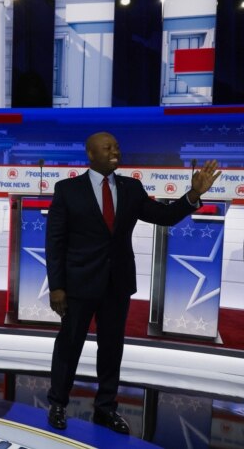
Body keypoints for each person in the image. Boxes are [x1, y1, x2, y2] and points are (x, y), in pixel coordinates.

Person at [45, 131, 221, 433]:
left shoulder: (131, 188)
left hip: (118, 283)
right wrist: (57, 286)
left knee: (111, 348)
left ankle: (105, 409)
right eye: (107, 147)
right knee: (69, 346)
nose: (115, 151)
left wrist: (193, 195)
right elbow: (55, 241)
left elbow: (165, 216)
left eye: (116, 146)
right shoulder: (67, 190)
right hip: (78, 284)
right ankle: (58, 404)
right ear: (91, 154)